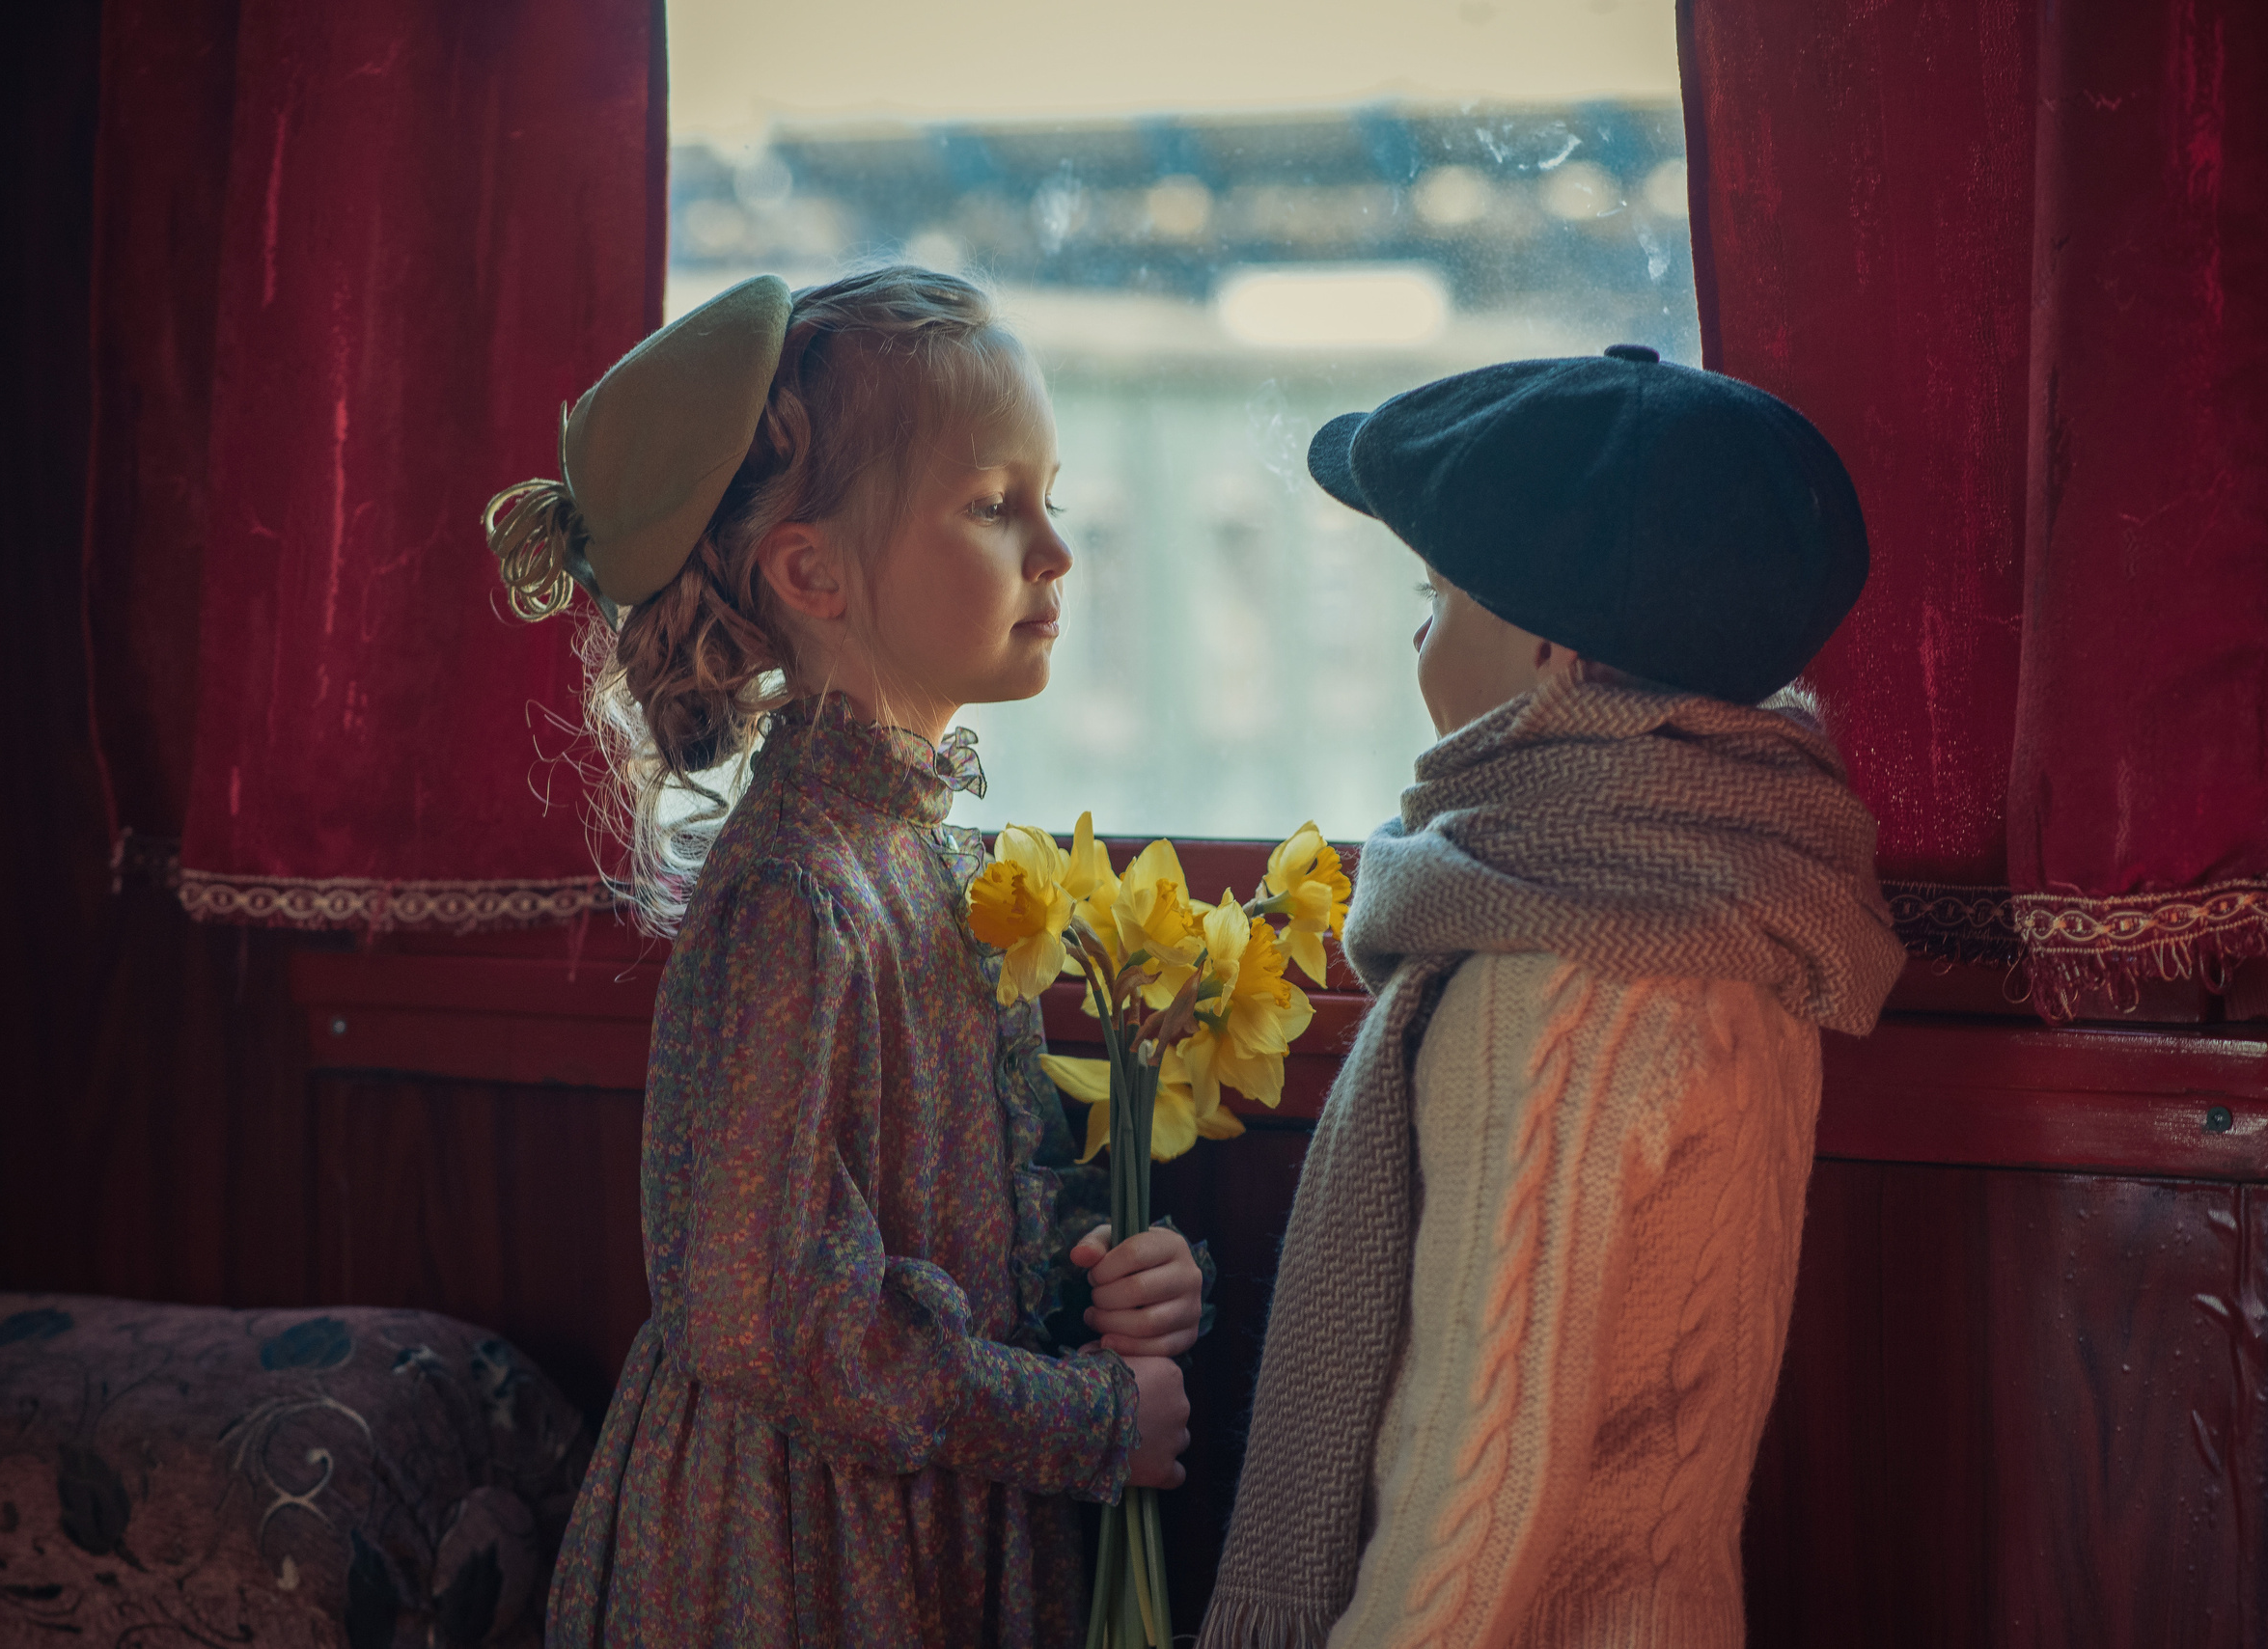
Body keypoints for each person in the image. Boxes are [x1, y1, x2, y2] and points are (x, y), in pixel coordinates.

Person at [484, 267, 1203, 1648]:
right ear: (812, 571)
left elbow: (942, 1205)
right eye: (997, 505)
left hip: (925, 1500)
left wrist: (1106, 1264)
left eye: (1050, 496)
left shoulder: (915, 853)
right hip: (810, 1549)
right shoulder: (796, 893)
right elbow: (772, 1319)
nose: (1055, 548)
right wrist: (1083, 1417)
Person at [1201, 346, 1909, 1648]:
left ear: (1547, 643)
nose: (1418, 637)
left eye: (1436, 596)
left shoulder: (1554, 973)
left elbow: (1472, 1482)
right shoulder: (1743, 900)